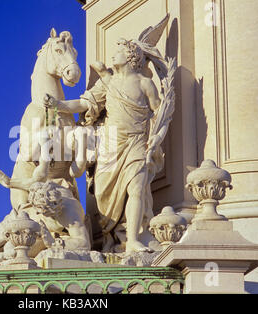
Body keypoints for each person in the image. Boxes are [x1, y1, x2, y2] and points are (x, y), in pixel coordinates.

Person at [43, 38, 167, 253]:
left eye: (118, 51)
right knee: (102, 196)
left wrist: (157, 137)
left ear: (131, 56)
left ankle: (133, 239)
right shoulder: (108, 83)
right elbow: (84, 103)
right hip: (109, 145)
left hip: (136, 142)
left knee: (136, 188)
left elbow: (160, 113)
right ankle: (111, 235)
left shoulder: (145, 83)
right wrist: (58, 105)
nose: (113, 54)